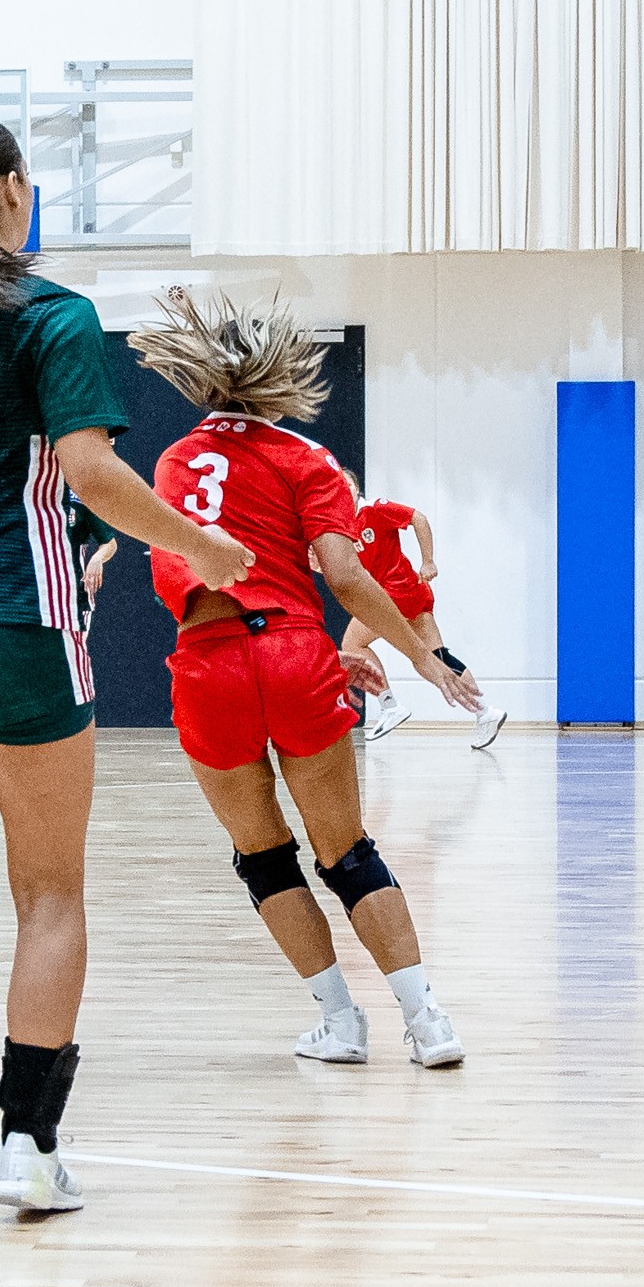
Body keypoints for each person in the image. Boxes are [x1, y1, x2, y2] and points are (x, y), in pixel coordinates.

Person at [0, 114, 251, 1222]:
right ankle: (26, 1147)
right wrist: (201, 548)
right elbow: (90, 471)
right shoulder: (51, 315)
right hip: (21, 622)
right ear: (14, 189)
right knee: (49, 891)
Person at [127, 290, 487, 1068]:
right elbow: (346, 578)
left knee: (263, 857)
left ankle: (341, 1024)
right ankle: (428, 1024)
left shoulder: (175, 459)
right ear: (276, 377)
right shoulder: (307, 458)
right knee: (348, 852)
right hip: (294, 653)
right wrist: (421, 657)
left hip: (209, 661)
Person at [333, 479, 503, 748]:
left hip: (398, 591)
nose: (344, 489)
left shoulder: (375, 509)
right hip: (410, 592)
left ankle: (389, 705)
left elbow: (418, 518)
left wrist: (428, 561)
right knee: (433, 659)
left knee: (352, 642)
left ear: (357, 489)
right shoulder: (342, 527)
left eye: (348, 484)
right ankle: (486, 712)